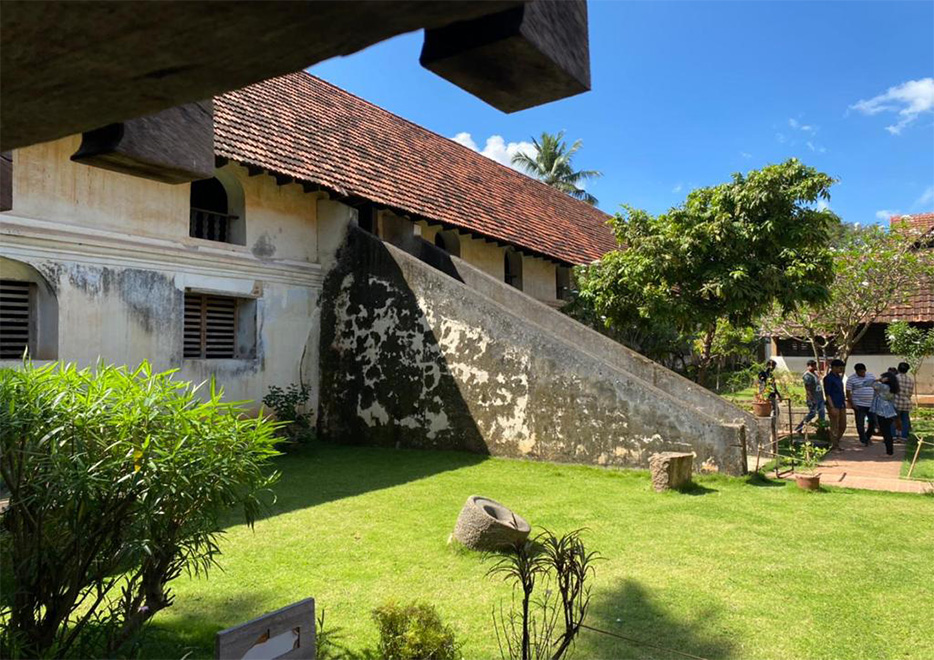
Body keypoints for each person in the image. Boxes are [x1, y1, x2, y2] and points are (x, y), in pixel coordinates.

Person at [846, 363, 876, 446]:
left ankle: (867, 436)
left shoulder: (871, 376)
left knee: (873, 421)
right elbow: (848, 392)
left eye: (863, 372)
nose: (862, 374)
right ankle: (863, 439)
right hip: (859, 404)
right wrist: (852, 403)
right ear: (856, 372)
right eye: (860, 372)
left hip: (871, 404)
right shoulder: (851, 379)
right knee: (860, 423)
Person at [870, 371, 900, 456]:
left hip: (882, 412)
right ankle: (889, 451)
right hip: (889, 411)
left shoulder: (883, 387)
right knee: (887, 431)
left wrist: (878, 379)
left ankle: (889, 452)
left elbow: (869, 383)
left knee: (885, 432)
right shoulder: (892, 387)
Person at [794, 359, 825, 433]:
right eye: (813, 366)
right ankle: (799, 427)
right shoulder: (807, 376)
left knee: (822, 414)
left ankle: (821, 430)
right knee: (812, 414)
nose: (815, 367)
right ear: (809, 366)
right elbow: (807, 388)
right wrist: (811, 398)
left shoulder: (815, 374)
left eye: (815, 365)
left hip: (820, 397)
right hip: (813, 398)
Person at [823, 359, 847, 450]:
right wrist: (832, 407)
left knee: (843, 425)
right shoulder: (828, 378)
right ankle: (834, 445)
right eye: (840, 368)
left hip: (841, 404)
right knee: (834, 426)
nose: (841, 370)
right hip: (833, 404)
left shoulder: (838, 378)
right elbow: (828, 393)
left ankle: (836, 441)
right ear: (834, 368)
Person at [894, 362, 915, 441]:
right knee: (905, 420)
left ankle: (894, 436)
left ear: (898, 369)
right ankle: (904, 436)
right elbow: (910, 393)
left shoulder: (895, 378)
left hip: (896, 402)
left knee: (893, 420)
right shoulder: (910, 380)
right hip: (906, 403)